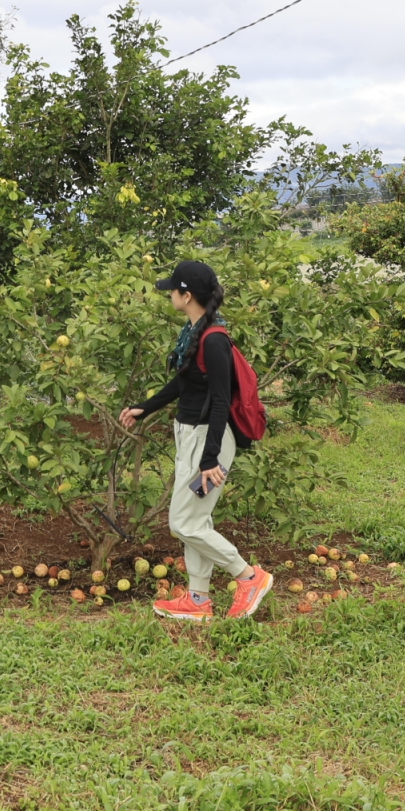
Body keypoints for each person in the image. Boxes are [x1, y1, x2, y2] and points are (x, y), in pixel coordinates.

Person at [121, 260, 273, 622]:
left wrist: (209, 459)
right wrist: (145, 406)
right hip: (192, 436)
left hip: (209, 441)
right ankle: (198, 599)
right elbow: (184, 384)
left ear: (186, 295)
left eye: (173, 288)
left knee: (183, 523)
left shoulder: (214, 340)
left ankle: (249, 577)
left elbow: (221, 400)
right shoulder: (195, 333)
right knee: (196, 521)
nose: (169, 293)